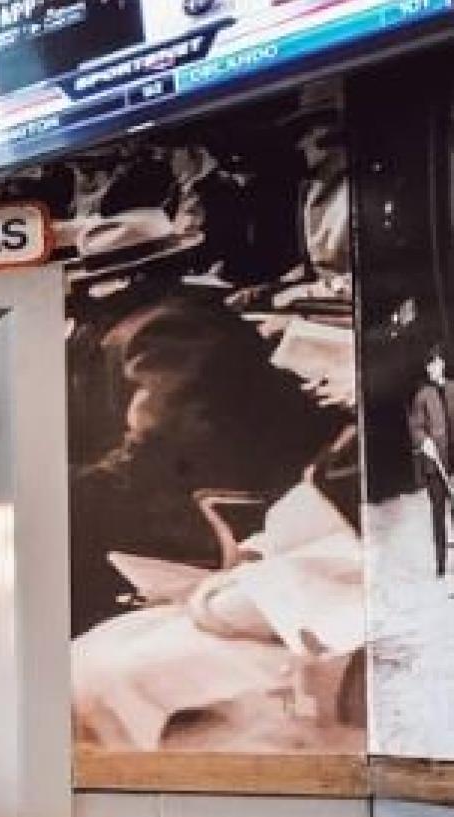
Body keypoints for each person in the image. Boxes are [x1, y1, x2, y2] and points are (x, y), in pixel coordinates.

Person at [66, 208, 348, 627]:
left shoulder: (161, 329)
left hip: (216, 510)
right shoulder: (170, 317)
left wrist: (72, 490)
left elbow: (160, 447)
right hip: (212, 491)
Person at [413, 348, 454, 578]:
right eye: (429, 365)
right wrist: (424, 441)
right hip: (435, 465)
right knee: (438, 514)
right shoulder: (422, 395)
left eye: (436, 363)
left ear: (443, 364)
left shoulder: (453, 388)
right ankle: (441, 564)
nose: (432, 368)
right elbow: (416, 427)